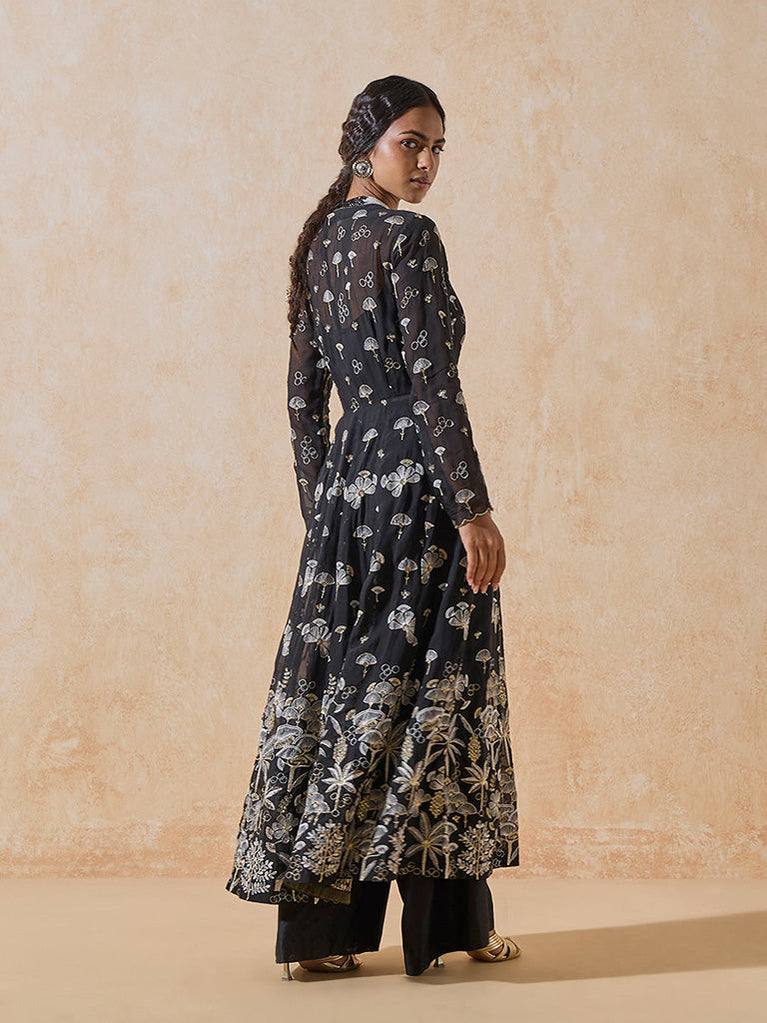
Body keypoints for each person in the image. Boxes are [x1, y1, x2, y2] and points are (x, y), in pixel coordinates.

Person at [225, 75, 521, 979]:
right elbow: (434, 384)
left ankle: (318, 940)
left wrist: (326, 515)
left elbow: (301, 400)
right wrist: (470, 506)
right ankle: (448, 929)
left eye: (436, 148)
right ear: (364, 142)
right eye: (410, 143)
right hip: (420, 487)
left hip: (350, 497)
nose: (425, 164)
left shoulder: (321, 243)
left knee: (349, 696)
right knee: (438, 693)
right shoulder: (407, 237)